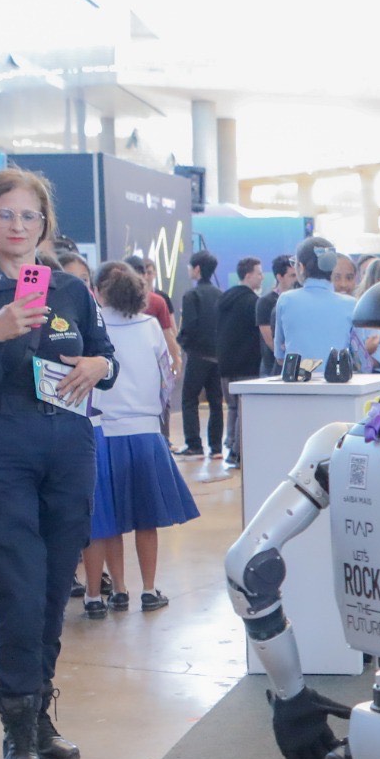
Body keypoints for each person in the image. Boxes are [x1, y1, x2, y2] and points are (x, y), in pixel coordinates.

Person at [0, 166, 115, 759]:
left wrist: (97, 362)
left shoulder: (70, 289)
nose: (19, 226)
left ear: (46, 224)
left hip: (69, 446)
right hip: (4, 448)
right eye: (6, 215)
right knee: (17, 589)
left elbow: (107, 357)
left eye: (30, 216)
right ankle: (16, 728)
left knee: (50, 592)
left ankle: (41, 714)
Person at [80, 262, 197, 616]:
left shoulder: (91, 326)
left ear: (97, 292)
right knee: (146, 519)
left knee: (103, 520)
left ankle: (106, 593)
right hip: (145, 432)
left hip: (101, 431)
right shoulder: (150, 327)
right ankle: (148, 589)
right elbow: (167, 379)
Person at [271, 236, 362, 373]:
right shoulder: (351, 304)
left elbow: (279, 355)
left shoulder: (285, 300)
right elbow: (359, 356)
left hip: (296, 384)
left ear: (300, 267)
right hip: (337, 383)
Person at [210, 255, 266, 464]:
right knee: (244, 409)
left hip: (225, 364)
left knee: (233, 408)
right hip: (247, 364)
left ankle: (231, 444)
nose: (261, 277)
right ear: (249, 275)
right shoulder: (253, 302)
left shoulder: (224, 299)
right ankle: (238, 451)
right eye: (259, 273)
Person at [173, 250, 230, 456]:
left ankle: (194, 444)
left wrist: (182, 343)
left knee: (189, 399)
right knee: (216, 402)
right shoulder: (221, 295)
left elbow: (190, 325)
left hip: (198, 356)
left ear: (197, 269)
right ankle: (216, 447)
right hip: (218, 357)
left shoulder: (192, 295)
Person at [254, 252, 297, 363]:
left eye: (298, 274)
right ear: (279, 277)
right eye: (292, 275)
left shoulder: (300, 301)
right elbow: (270, 340)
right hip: (273, 365)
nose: (296, 279)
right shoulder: (265, 302)